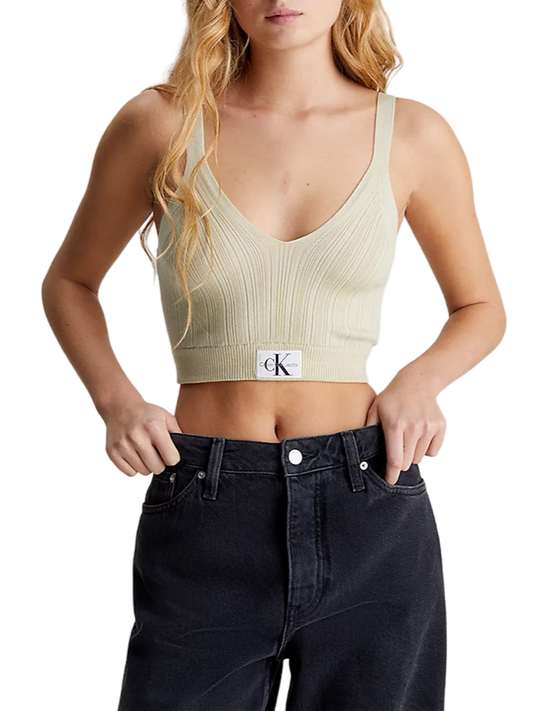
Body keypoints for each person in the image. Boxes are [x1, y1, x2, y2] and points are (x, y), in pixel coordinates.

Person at [42, 1, 506, 709]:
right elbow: (70, 282)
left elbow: (480, 307)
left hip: (368, 501)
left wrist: (419, 382)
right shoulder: (162, 124)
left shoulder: (413, 135)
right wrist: (118, 402)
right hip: (207, 504)